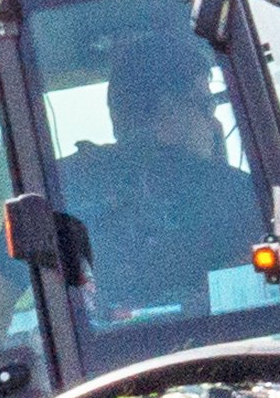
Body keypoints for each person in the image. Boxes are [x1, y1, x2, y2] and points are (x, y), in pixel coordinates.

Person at [58, 60, 268, 314]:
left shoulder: (58, 189)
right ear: (165, 115)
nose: (214, 124)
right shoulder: (238, 193)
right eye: (205, 106)